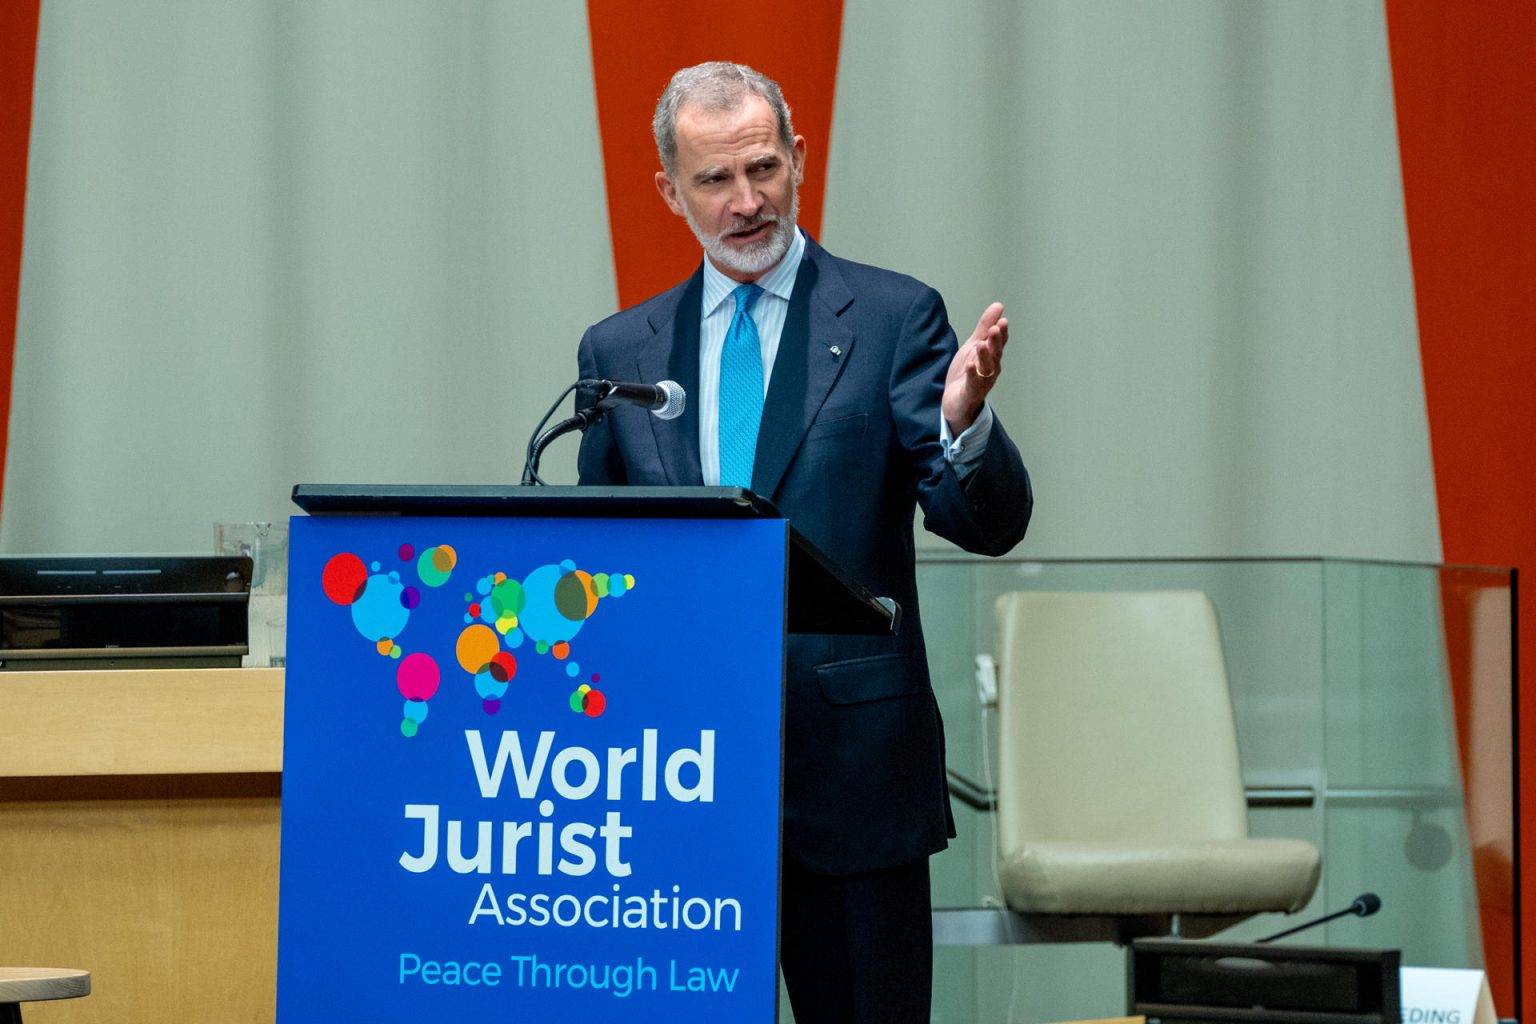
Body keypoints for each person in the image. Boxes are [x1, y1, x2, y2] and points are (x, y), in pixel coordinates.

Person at [576, 61, 1032, 1024]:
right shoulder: (620, 352)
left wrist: (963, 426)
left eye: (764, 170)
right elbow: (603, 569)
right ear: (669, 191)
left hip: (852, 787)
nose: (745, 203)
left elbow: (984, 522)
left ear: (799, 159)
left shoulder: (892, 317)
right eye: (715, 180)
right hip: (675, 791)